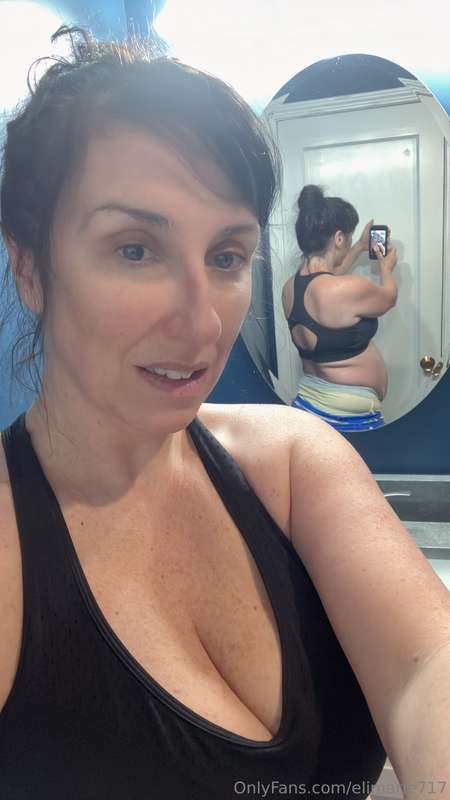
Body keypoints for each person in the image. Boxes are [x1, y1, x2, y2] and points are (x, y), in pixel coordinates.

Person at [0, 25, 449, 800]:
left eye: (227, 257)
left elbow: (427, 666)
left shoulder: (295, 462)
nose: (203, 323)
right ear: (30, 267)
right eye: (135, 249)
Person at [282, 185, 398, 431]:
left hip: (310, 405)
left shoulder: (291, 287)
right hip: (346, 418)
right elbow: (388, 298)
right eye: (349, 238)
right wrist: (386, 268)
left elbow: (328, 279)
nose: (349, 243)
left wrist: (360, 246)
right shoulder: (344, 288)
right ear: (338, 238)